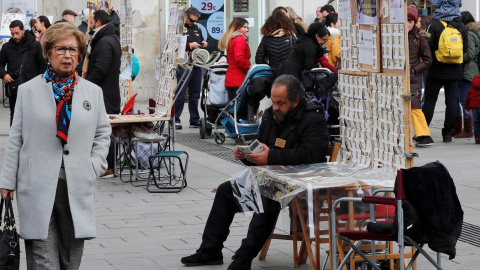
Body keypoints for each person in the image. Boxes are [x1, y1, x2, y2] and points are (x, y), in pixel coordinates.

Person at [180, 74, 329, 270]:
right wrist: (247, 155)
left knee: (267, 197)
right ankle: (210, 250)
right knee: (226, 191)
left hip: (300, 183)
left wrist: (270, 157)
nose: (275, 107)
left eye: (281, 103)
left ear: (296, 101)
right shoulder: (270, 114)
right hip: (270, 177)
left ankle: (243, 258)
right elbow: (262, 146)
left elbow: (310, 154)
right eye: (274, 101)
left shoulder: (313, 119)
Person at [0, 22, 111, 269]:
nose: (68, 55)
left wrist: (95, 165)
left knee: (70, 260)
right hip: (36, 183)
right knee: (43, 260)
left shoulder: (92, 92)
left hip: (77, 180)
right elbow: (16, 137)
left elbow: (103, 133)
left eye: (73, 50)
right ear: (48, 52)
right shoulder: (28, 90)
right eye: (61, 49)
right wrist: (7, 181)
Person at [422, 0, 468, 142]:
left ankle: (423, 131)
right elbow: (464, 48)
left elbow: (427, 45)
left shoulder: (435, 24)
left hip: (436, 69)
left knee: (430, 100)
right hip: (455, 70)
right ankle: (447, 133)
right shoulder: (461, 25)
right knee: (452, 101)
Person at [84, 9, 121, 178]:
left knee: (105, 131)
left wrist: (86, 86)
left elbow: (101, 69)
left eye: (91, 21)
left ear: (98, 22)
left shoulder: (104, 41)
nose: (89, 24)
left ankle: (107, 167)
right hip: (107, 92)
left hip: (105, 94)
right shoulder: (108, 38)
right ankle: (106, 166)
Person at [0, 20, 47, 126]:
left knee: (32, 116)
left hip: (32, 88)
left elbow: (43, 65)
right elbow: (0, 64)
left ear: (23, 30)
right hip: (14, 88)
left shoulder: (35, 45)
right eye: (12, 33)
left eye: (17, 33)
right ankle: (15, 141)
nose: (15, 36)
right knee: (15, 115)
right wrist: (4, 74)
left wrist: (39, 81)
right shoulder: (7, 47)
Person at [174, 7, 207, 130]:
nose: (194, 23)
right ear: (186, 16)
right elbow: (174, 44)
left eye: (196, 21)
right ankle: (175, 119)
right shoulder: (179, 27)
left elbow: (200, 39)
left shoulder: (197, 28)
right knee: (181, 94)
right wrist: (189, 45)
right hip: (184, 64)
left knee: (195, 94)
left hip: (196, 64)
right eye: (192, 21)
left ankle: (194, 119)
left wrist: (203, 43)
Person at [407, 5, 434, 147]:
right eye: (405, 21)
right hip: (399, 78)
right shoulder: (393, 36)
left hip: (413, 78)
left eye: (410, 21)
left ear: (414, 22)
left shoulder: (420, 38)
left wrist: (414, 70)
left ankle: (424, 135)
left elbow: (428, 60)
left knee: (415, 106)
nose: (407, 24)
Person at [454, 11, 480, 138]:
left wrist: (456, 58)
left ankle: (468, 129)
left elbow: (469, 54)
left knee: (465, 100)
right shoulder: (476, 32)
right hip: (473, 71)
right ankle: (466, 128)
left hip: (469, 71)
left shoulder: (469, 34)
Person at [218, 17, 250, 102]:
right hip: (239, 79)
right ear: (237, 28)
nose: (247, 30)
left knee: (234, 107)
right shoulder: (239, 39)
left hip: (232, 78)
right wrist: (249, 70)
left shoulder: (232, 39)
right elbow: (239, 58)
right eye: (245, 27)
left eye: (247, 27)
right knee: (240, 108)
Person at [465, 75, 480, 144]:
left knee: (476, 122)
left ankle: (477, 138)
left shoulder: (475, 80)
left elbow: (469, 93)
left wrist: (467, 107)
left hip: (475, 106)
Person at [417, 15, 431, 89]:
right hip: (419, 62)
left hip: (424, 62)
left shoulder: (425, 35)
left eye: (419, 21)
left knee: (426, 82)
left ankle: (425, 98)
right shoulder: (416, 33)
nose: (417, 23)